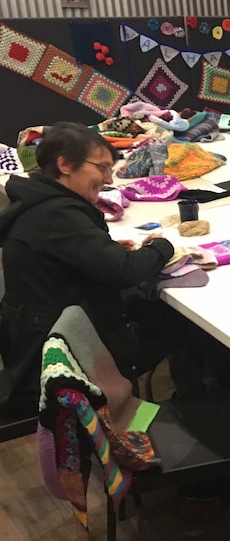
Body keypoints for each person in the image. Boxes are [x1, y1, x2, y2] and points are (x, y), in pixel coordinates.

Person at [0, 122, 177, 417]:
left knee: (151, 310)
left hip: (34, 341)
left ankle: (167, 407)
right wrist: (163, 247)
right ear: (65, 164)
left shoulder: (38, 202)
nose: (108, 179)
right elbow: (124, 271)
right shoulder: (58, 214)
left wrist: (103, 251)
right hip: (61, 361)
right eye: (102, 168)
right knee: (174, 321)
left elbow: (67, 256)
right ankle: (163, 417)